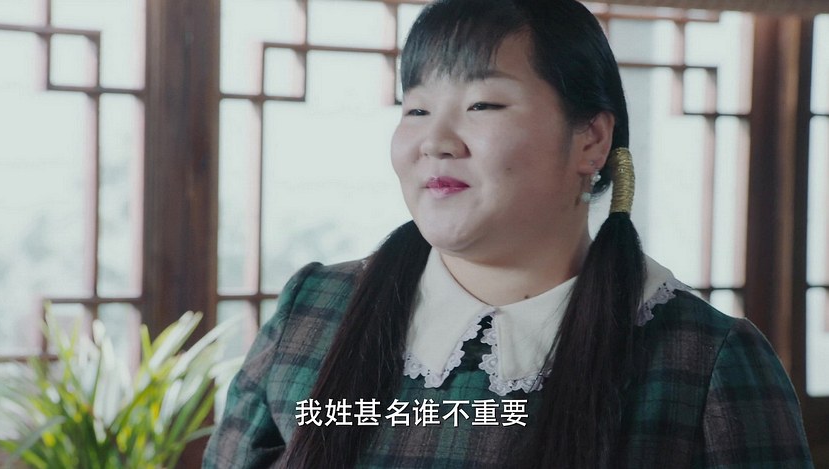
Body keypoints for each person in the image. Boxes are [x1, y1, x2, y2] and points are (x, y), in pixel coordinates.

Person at [203, 0, 813, 467]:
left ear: (591, 140)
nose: (435, 141)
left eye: (483, 105)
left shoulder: (704, 360)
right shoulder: (312, 312)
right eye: (416, 109)